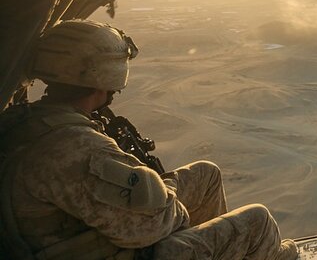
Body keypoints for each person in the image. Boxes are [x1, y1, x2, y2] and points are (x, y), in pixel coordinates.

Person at [0, 20, 298, 259]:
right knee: (257, 222)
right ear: (104, 73)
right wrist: (167, 204)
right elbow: (148, 227)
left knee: (205, 176)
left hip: (70, 237)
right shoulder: (79, 148)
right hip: (102, 246)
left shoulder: (29, 120)